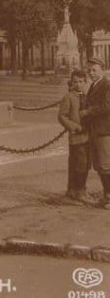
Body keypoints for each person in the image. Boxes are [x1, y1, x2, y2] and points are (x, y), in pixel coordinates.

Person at [80, 56, 110, 209]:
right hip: (95, 130)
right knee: (99, 165)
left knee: (105, 165)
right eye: (89, 70)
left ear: (102, 70)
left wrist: (88, 112)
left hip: (104, 130)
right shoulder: (93, 85)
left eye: (94, 70)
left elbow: (107, 107)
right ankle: (107, 196)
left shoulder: (106, 85)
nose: (91, 73)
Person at [58, 69, 90, 200]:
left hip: (89, 135)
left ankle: (80, 189)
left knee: (87, 163)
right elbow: (62, 116)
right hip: (76, 136)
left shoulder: (88, 96)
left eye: (81, 81)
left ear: (85, 82)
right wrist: (75, 127)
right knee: (79, 163)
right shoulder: (68, 97)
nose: (78, 84)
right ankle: (77, 190)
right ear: (71, 82)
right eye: (75, 81)